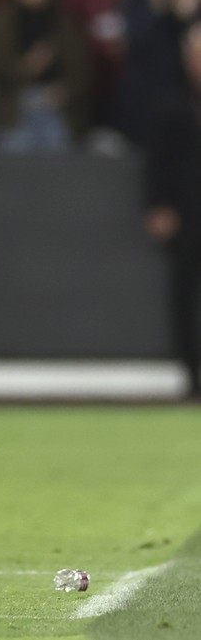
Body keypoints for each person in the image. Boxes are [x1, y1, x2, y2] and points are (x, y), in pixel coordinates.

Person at [144, 21, 201, 400]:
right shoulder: (171, 103)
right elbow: (157, 162)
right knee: (186, 294)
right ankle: (193, 374)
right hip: (187, 213)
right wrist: (158, 206)